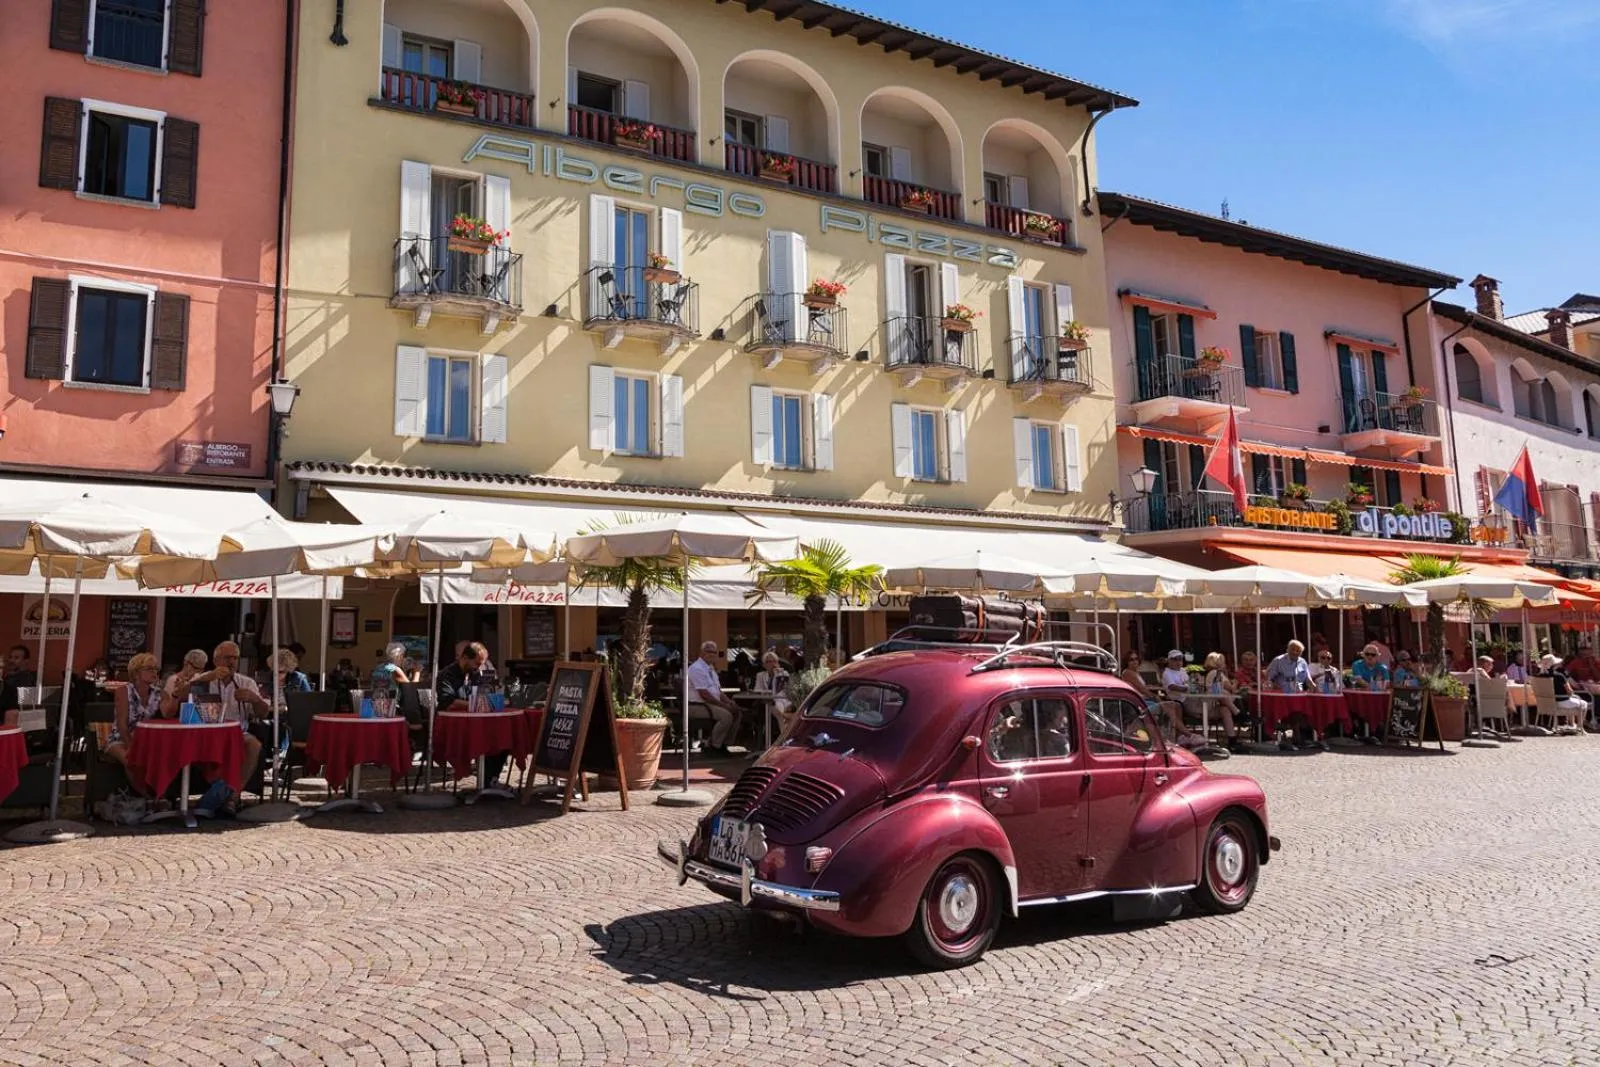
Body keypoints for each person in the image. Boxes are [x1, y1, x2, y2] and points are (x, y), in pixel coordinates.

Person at [187, 641, 269, 816]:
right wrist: (205, 678)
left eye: (235, 658)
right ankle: (218, 796)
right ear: (216, 660)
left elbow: (263, 714)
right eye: (227, 658)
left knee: (254, 745)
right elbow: (181, 693)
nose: (231, 662)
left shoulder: (246, 682)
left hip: (238, 733)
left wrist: (255, 699)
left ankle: (233, 795)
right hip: (207, 732)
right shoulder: (204, 679)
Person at [436, 641, 509, 783]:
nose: (479, 667)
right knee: (487, 738)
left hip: (476, 722)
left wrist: (494, 695)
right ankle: (486, 781)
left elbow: (485, 694)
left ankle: (490, 779)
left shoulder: (475, 673)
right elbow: (449, 702)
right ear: (464, 658)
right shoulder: (446, 675)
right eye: (476, 663)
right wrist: (479, 703)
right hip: (454, 725)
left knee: (501, 738)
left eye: (481, 664)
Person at [103, 652, 163, 777]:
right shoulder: (124, 691)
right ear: (136, 673)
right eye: (149, 668)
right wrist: (131, 747)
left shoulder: (158, 693)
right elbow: (122, 724)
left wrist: (175, 695)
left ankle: (154, 789)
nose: (154, 672)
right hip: (121, 738)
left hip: (146, 739)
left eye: (156, 669)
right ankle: (140, 790)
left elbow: (169, 711)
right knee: (133, 761)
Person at [687, 641, 742, 756]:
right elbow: (704, 694)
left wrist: (729, 702)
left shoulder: (710, 668)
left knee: (737, 712)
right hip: (696, 705)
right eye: (708, 651)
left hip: (709, 704)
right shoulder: (696, 668)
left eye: (713, 652)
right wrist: (724, 706)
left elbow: (718, 691)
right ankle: (713, 746)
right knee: (726, 716)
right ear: (702, 652)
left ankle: (724, 744)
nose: (711, 654)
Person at [1121, 651, 1184, 739]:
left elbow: (1141, 688)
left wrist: (1152, 691)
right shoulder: (1128, 673)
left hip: (1144, 700)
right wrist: (1156, 697)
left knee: (1177, 706)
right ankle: (1185, 734)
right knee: (1171, 707)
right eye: (1131, 660)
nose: (1135, 661)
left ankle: (1180, 735)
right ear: (1126, 662)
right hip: (1140, 704)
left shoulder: (1135, 672)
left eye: (1136, 659)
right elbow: (1143, 690)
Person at [1201, 652, 1245, 751]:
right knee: (1223, 694)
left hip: (1217, 703)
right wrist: (1236, 682)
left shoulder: (1214, 673)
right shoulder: (1216, 673)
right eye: (1223, 661)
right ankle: (1238, 713)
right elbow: (1230, 688)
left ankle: (1232, 740)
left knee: (1225, 710)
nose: (1225, 663)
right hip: (1209, 705)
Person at [1538, 653, 1588, 728]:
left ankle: (1571, 725)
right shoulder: (1559, 675)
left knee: (1572, 701)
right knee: (1583, 703)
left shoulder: (1538, 676)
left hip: (1544, 704)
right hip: (1560, 702)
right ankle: (1579, 727)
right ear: (1554, 665)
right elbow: (1569, 691)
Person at [1, 644, 38, 726]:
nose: (11, 660)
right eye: (10, 657)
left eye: (16, 658)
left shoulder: (26, 678)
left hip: (14, 719)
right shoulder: (8, 676)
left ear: (26, 661)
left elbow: (23, 703)